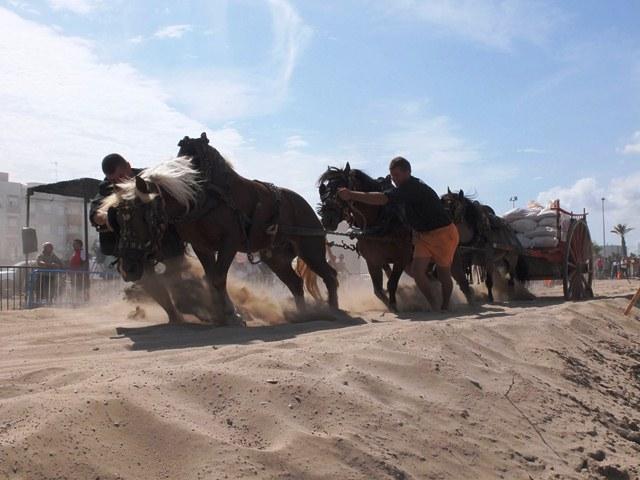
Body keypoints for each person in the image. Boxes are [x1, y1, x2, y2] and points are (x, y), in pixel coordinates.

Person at [338, 156, 459, 311]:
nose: (394, 180)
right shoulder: (404, 188)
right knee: (417, 272)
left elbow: (383, 199)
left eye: (397, 175)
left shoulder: (412, 187)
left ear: (408, 172)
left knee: (443, 274)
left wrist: (352, 194)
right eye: (392, 176)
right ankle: (434, 304)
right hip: (423, 235)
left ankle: (445, 305)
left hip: (443, 234)